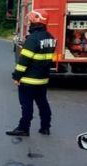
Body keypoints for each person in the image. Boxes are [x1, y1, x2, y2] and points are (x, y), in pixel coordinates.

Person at [7, 9, 56, 137]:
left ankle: (23, 128)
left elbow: (24, 61)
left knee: (26, 105)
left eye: (31, 20)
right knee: (43, 103)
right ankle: (45, 127)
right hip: (43, 79)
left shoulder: (32, 39)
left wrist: (16, 76)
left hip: (28, 80)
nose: (29, 22)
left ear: (36, 21)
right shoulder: (50, 38)